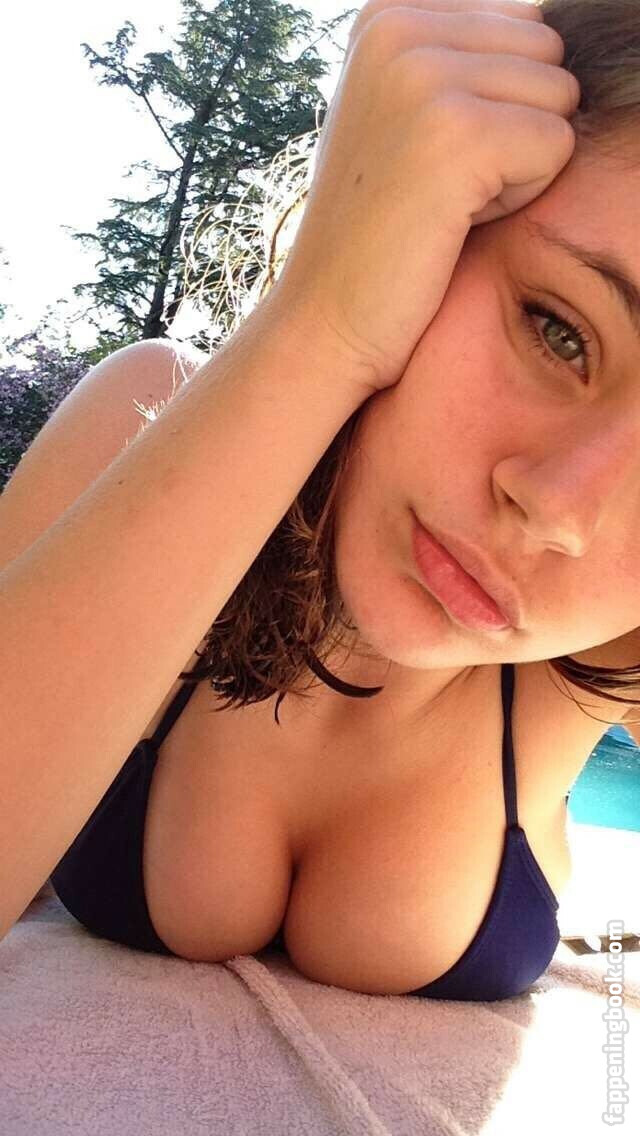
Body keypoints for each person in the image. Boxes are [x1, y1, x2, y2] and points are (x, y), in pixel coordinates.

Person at [1, 0, 639, 1000]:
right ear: (432, 219)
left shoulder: (610, 656)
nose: (560, 510)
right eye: (559, 331)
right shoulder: (142, 419)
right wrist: (320, 327)